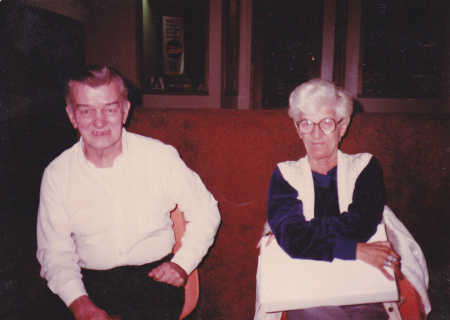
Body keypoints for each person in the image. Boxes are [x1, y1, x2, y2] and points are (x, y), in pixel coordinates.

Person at [36, 65, 221, 320]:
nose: (99, 122)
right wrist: (80, 304)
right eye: (86, 111)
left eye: (109, 109)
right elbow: (55, 252)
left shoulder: (160, 157)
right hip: (85, 281)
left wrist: (182, 262)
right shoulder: (57, 174)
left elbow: (206, 212)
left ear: (125, 111)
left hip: (152, 281)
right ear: (72, 115)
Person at [257, 79, 430, 320]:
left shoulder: (365, 167)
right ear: (298, 129)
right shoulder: (285, 174)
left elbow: (361, 224)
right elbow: (292, 237)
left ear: (343, 125)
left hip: (362, 280)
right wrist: (355, 249)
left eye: (326, 122)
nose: (316, 133)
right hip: (306, 283)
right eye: (307, 123)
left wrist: (310, 232)